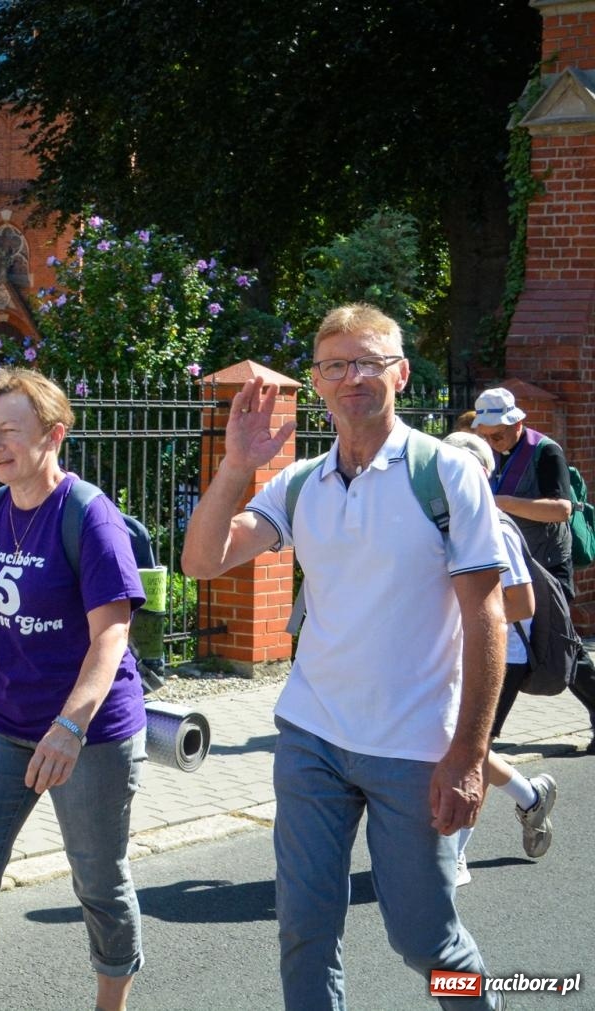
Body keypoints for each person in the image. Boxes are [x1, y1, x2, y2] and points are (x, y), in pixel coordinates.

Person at [182, 303, 508, 1010]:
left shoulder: (446, 475)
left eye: (368, 361)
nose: (352, 376)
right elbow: (203, 560)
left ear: (401, 372)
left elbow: (487, 618)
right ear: (318, 383)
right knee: (304, 927)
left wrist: (468, 755)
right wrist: (238, 465)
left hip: (416, 747)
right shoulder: (300, 483)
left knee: (425, 940)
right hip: (312, 736)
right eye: (335, 365)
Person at [0, 368, 147, 1011]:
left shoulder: (90, 517)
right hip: (0, 720)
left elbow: (111, 635)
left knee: (98, 881)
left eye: (11, 433)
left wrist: (70, 726)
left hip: (89, 731)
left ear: (54, 435)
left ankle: (111, 1002)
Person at [441, 431, 558, 883]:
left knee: (468, 748)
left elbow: (523, 604)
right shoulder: (444, 518)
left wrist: (466, 622)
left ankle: (455, 855)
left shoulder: (494, 524)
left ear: (480, 474)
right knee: (454, 744)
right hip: (458, 652)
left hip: (500, 656)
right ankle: (530, 797)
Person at [472, 386, 595, 752]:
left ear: (518, 423)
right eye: (485, 436)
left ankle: (485, 734)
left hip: (547, 567)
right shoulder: (487, 453)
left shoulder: (546, 452)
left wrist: (500, 503)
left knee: (547, 641)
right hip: (508, 565)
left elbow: (561, 509)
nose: (492, 442)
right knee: (540, 643)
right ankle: (485, 733)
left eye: (498, 434)